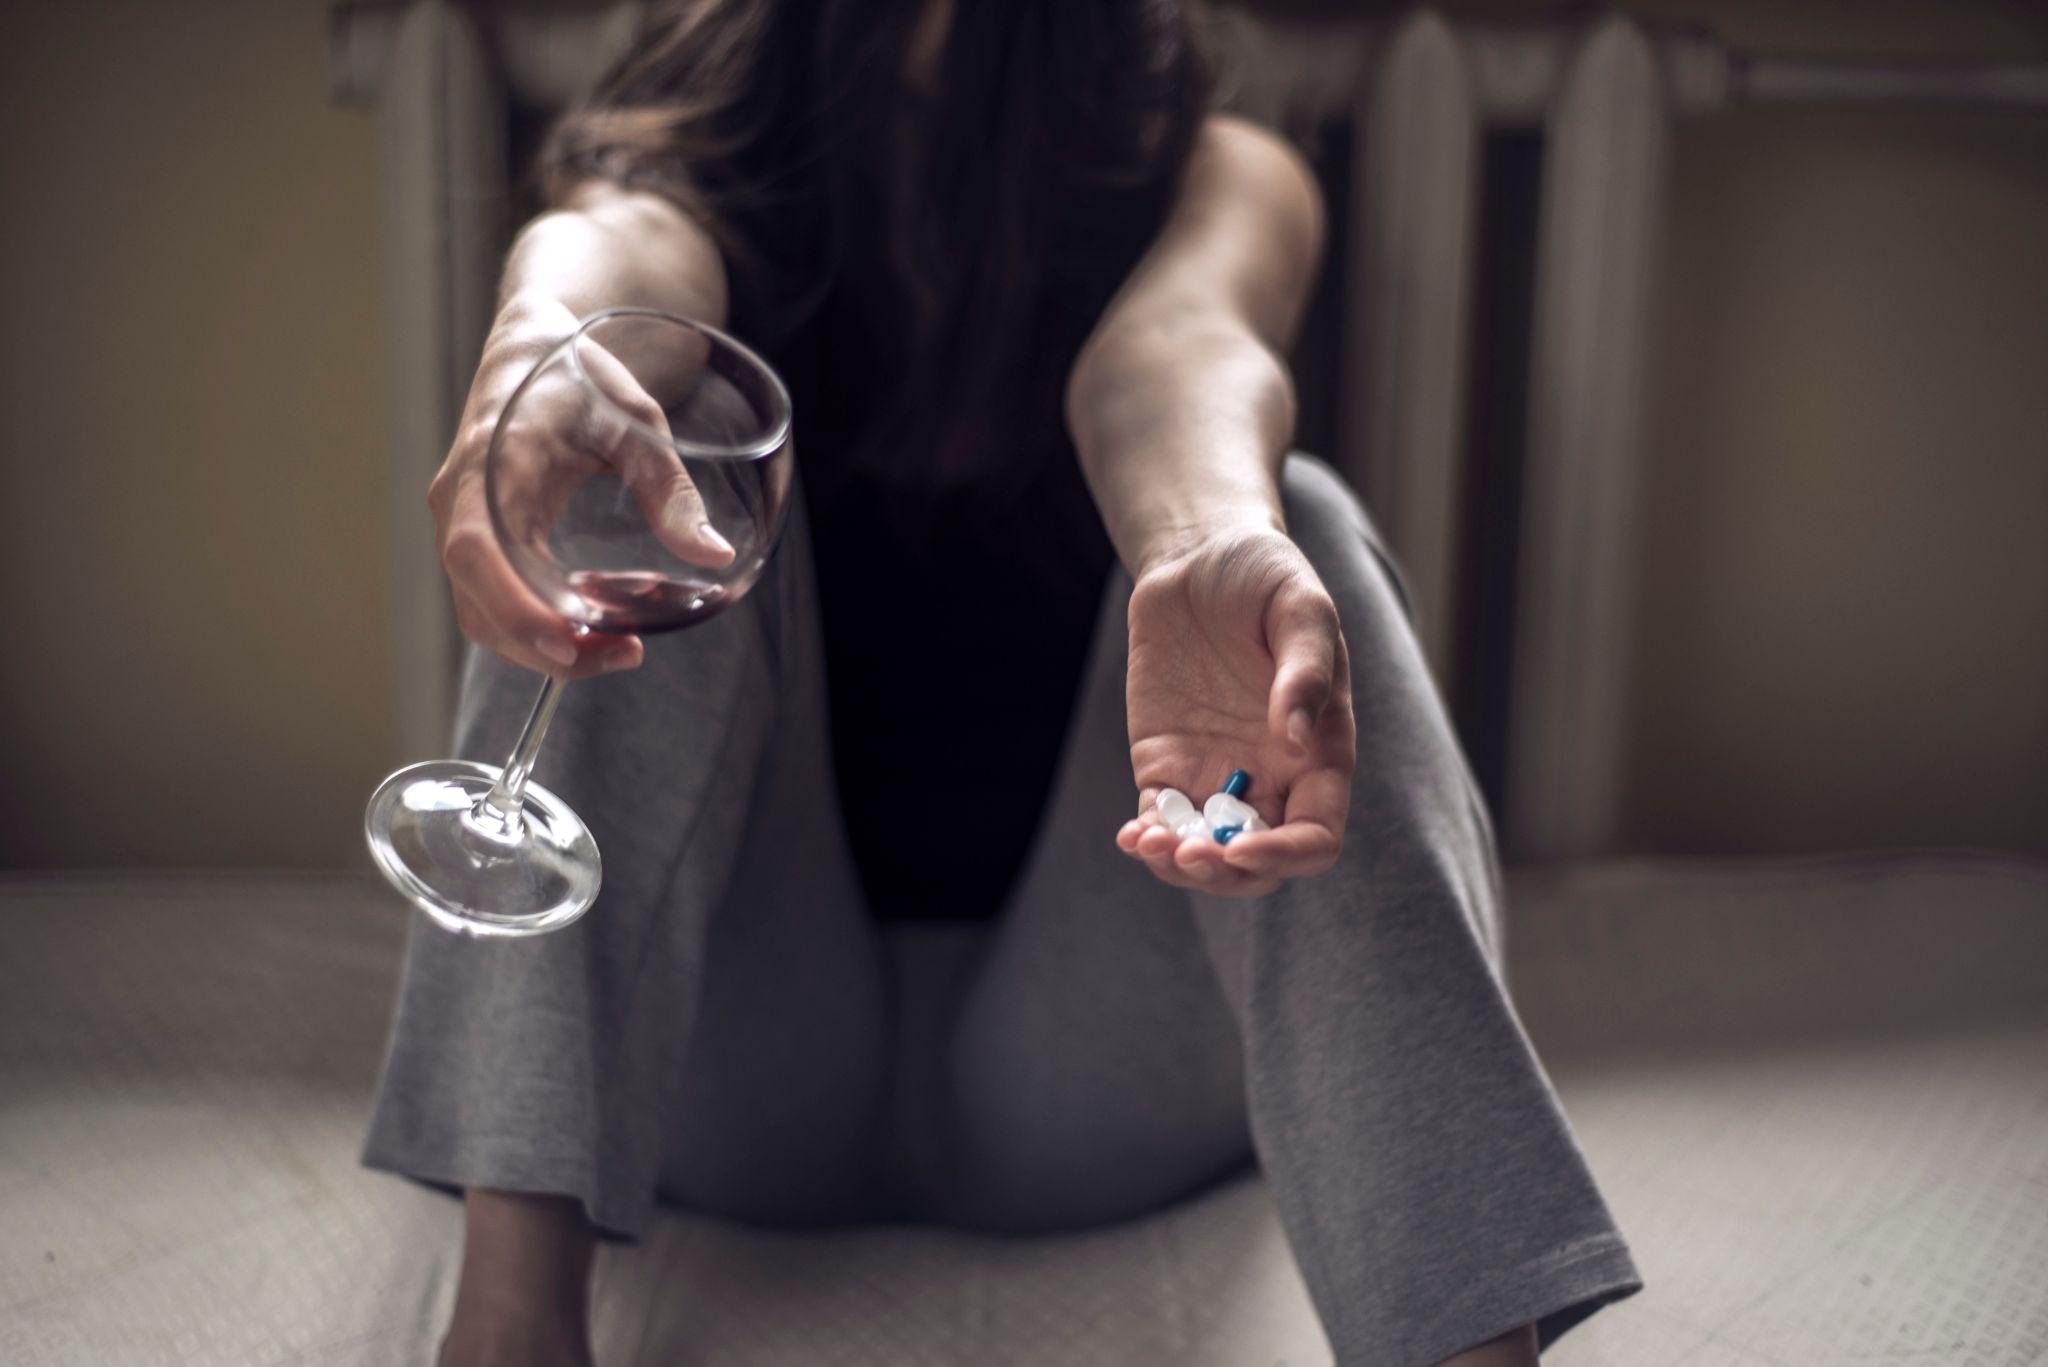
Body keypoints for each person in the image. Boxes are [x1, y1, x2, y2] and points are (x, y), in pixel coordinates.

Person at [362, 2, 1642, 1363]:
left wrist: (1216, 536)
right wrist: (544, 338)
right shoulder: (700, 127)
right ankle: (508, 1331)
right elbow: (624, 255)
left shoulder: (1213, 162)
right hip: (734, 1066)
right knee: (637, 431)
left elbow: (1175, 355)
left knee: (1294, 536)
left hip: (1092, 1072)